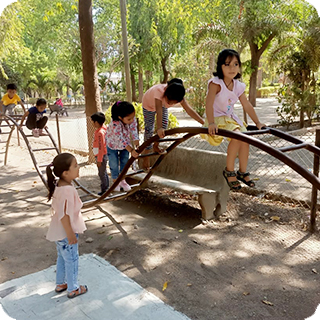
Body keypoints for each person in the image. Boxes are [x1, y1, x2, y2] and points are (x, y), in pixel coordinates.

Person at [202, 48, 266, 190]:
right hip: (217, 118)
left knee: (245, 139)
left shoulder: (238, 85)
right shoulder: (216, 83)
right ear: (220, 67)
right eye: (227, 64)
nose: (232, 68)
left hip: (230, 118)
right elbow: (209, 103)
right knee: (237, 135)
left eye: (235, 64)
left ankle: (242, 172)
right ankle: (229, 171)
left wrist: (258, 122)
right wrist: (211, 122)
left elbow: (247, 105)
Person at [46, 152, 88, 299]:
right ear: (65, 172)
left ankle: (61, 283)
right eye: (75, 166)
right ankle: (73, 288)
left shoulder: (60, 185)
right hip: (66, 232)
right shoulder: (68, 190)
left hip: (59, 232)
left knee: (63, 258)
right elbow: (64, 215)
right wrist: (70, 233)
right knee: (72, 260)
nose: (78, 168)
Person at [142, 78, 204, 167]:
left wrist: (203, 122)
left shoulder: (178, 95)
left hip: (161, 105)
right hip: (148, 105)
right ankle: (146, 155)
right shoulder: (158, 91)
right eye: (168, 101)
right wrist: (159, 128)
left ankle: (156, 145)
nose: (169, 103)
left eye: (172, 103)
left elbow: (189, 110)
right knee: (149, 129)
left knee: (164, 125)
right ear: (166, 93)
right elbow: (159, 111)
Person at [106, 101, 140, 192]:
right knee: (114, 163)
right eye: (129, 119)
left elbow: (133, 130)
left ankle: (122, 179)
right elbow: (120, 140)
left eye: (132, 117)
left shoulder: (131, 120)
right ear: (120, 117)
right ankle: (115, 181)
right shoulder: (115, 124)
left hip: (125, 145)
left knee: (125, 161)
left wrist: (136, 140)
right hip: (112, 144)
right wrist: (131, 150)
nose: (131, 120)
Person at [91, 112, 109, 195]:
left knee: (102, 173)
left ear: (96, 122)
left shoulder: (100, 133)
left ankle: (104, 190)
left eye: (93, 122)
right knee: (103, 172)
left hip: (100, 156)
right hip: (101, 155)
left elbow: (101, 147)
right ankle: (106, 188)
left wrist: (99, 159)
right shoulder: (103, 130)